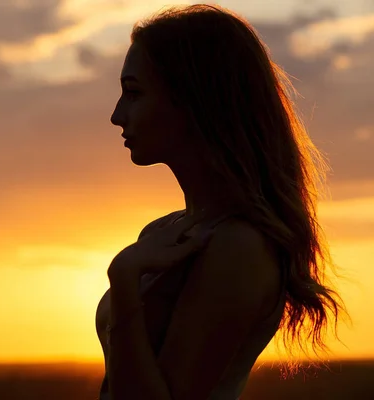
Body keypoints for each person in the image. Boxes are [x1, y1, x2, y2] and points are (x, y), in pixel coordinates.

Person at [95, 4, 346, 400]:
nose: (116, 115)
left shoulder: (239, 247)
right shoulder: (165, 231)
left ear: (195, 99)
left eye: (135, 93)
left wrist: (124, 278)